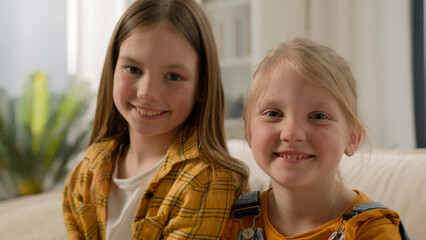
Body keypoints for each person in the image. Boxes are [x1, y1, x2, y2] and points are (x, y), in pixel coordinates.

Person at [62, 0, 249, 239]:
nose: (147, 92)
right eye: (133, 69)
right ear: (112, 69)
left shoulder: (208, 181)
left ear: (202, 86)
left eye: (173, 76)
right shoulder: (86, 171)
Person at [222, 38, 404, 239]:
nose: (291, 133)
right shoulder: (231, 221)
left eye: (318, 116)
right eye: (273, 114)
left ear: (352, 138)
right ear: (249, 131)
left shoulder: (372, 231)